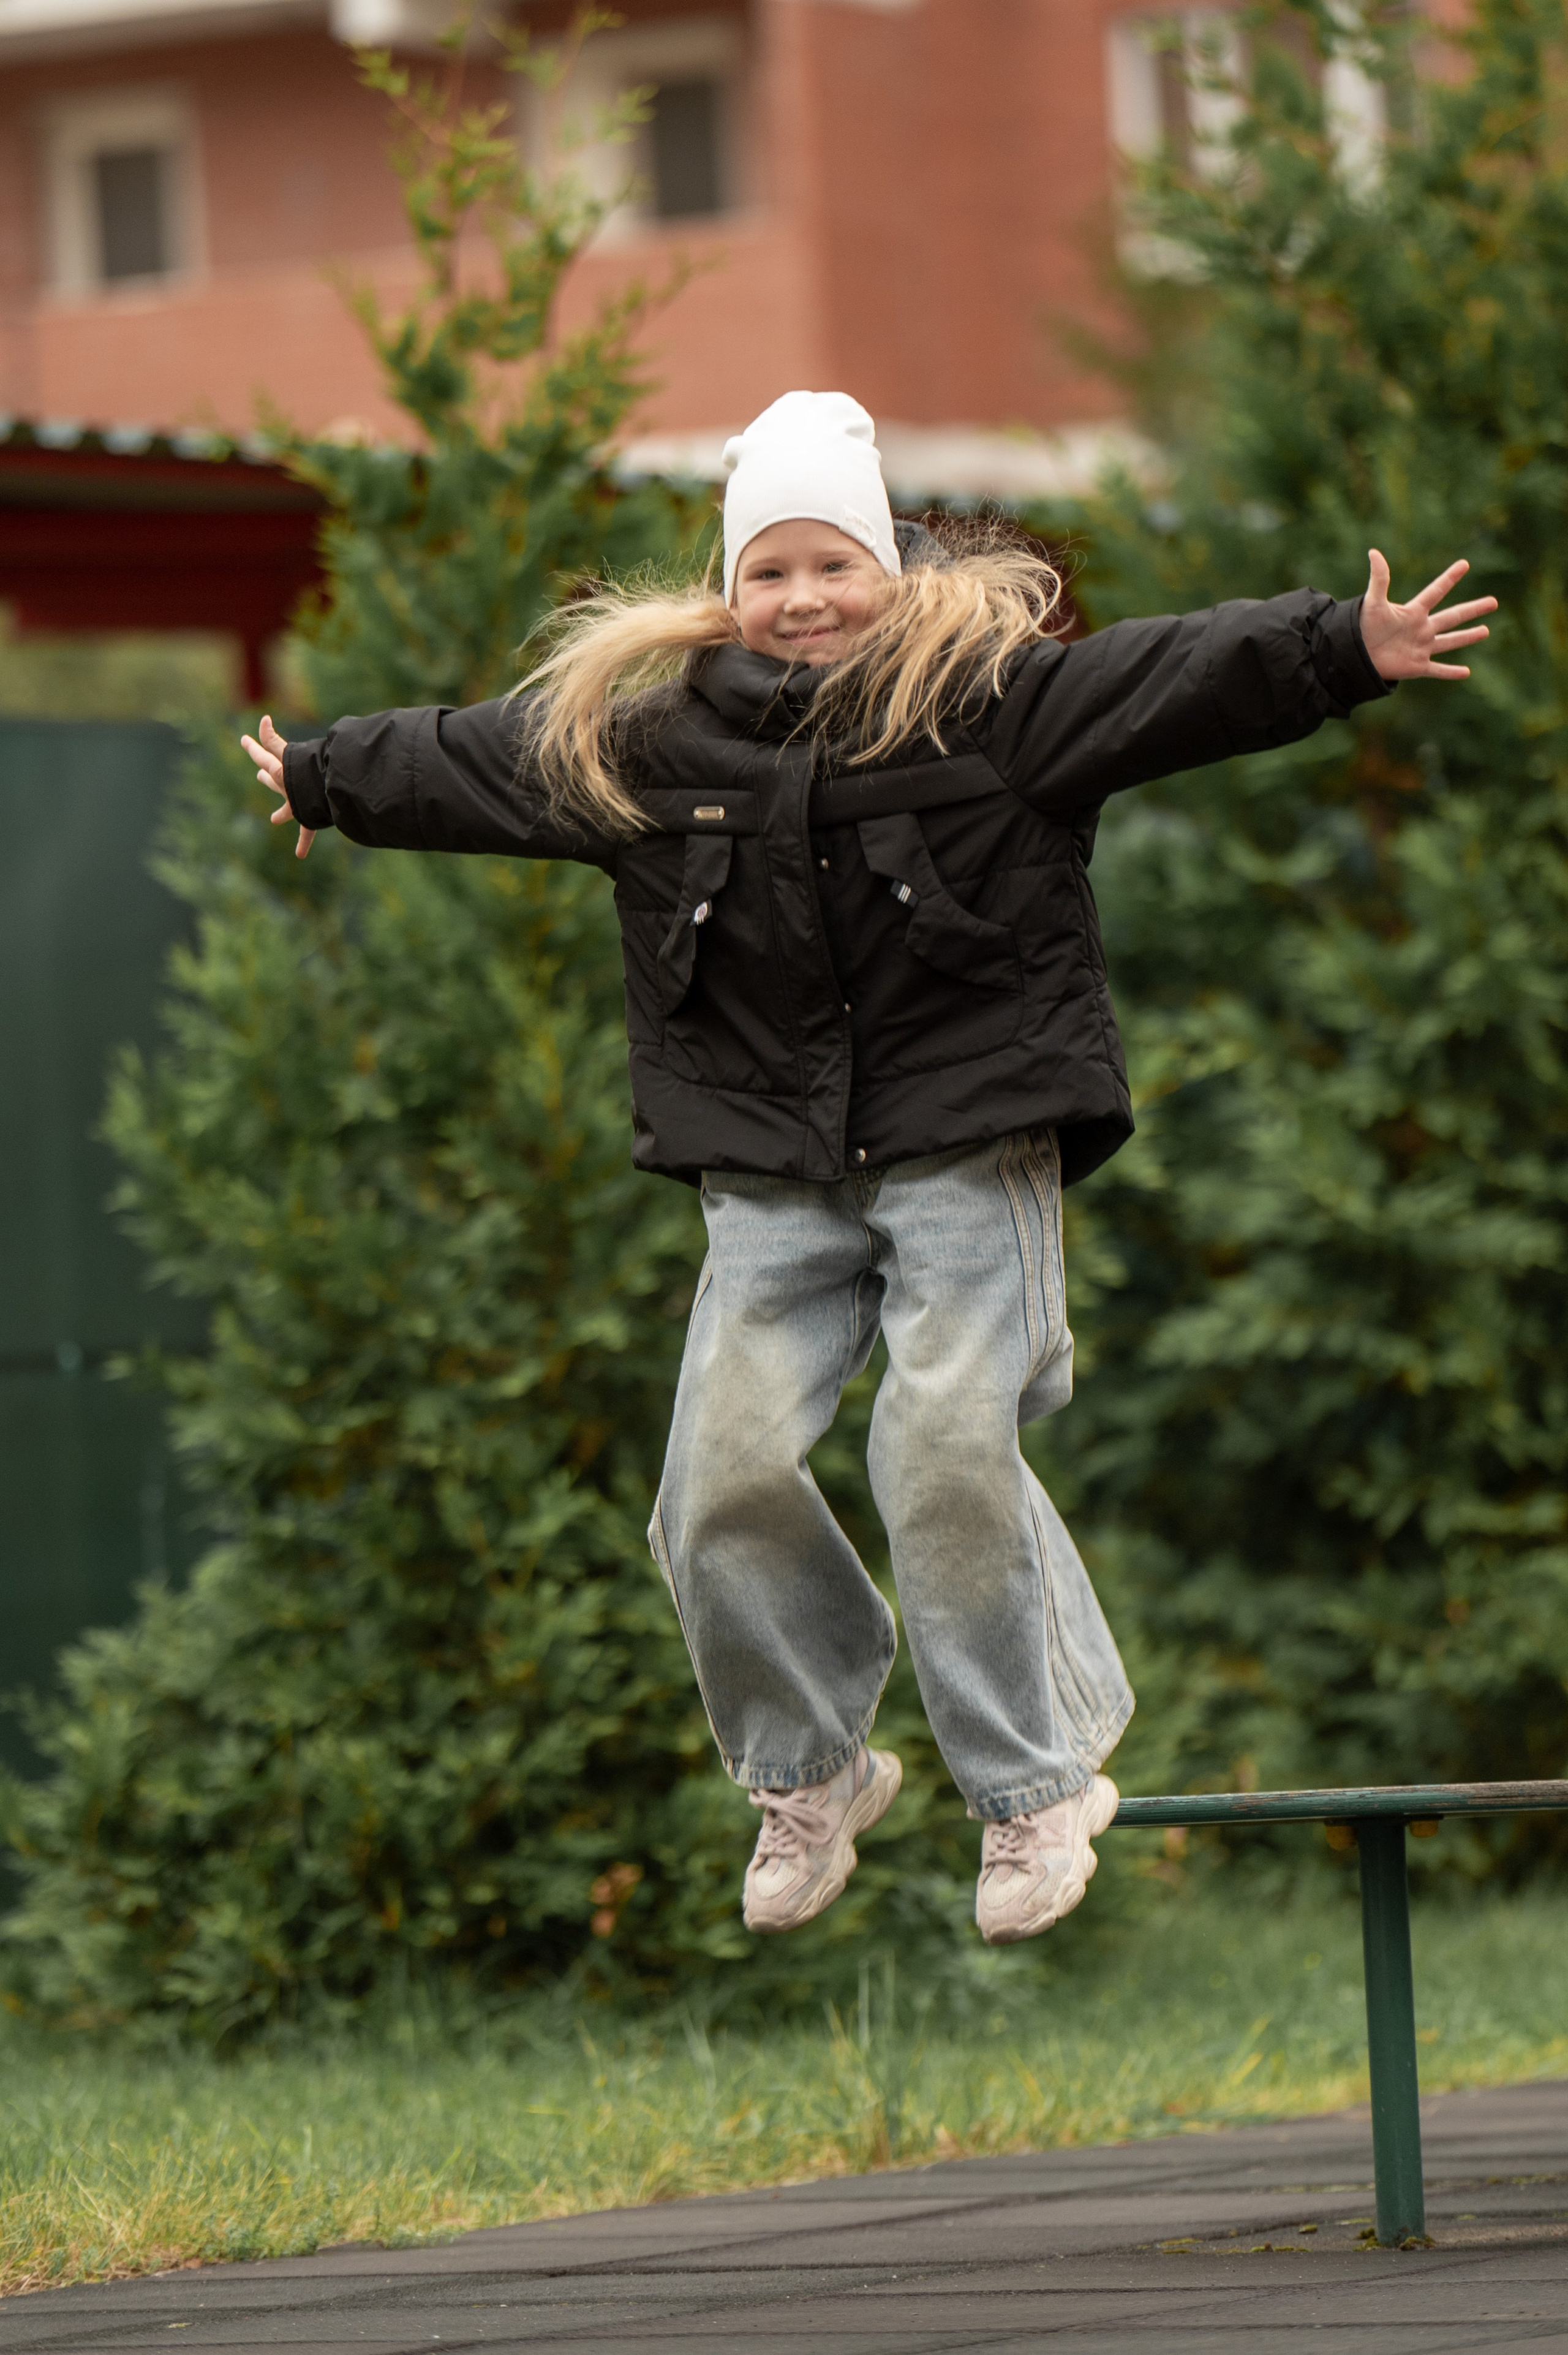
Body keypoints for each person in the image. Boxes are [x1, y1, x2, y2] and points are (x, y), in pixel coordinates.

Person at [242, 390, 1494, 1947]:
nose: (805, 599)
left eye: (833, 562)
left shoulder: (991, 705)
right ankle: (814, 1768)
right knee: (715, 1475)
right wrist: (326, 776)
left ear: (887, 564)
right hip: (770, 1177)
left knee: (942, 1443)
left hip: (966, 1150)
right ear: (728, 586)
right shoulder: (647, 737)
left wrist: (1333, 649)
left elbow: (1166, 676)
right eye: (770, 571)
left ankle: (1033, 1789)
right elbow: (478, 763)